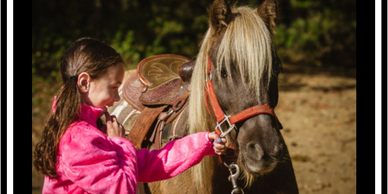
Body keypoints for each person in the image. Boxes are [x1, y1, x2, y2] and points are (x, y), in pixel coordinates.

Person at [33, 37, 227, 194]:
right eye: (114, 88)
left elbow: (151, 163)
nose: (118, 98)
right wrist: (119, 142)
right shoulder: (79, 140)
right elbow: (122, 189)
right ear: (84, 83)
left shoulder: (88, 130)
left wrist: (204, 143)